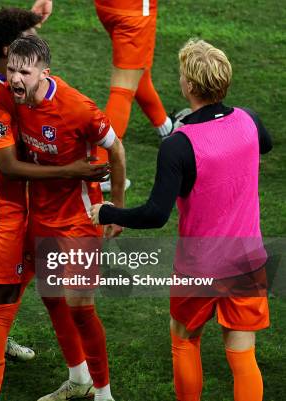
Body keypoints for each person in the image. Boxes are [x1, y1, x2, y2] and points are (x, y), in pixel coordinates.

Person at [90, 39, 272, 401]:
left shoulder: (178, 144)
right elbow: (262, 144)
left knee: (185, 339)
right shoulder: (249, 121)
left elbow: (156, 214)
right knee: (242, 352)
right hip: (248, 261)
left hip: (199, 266)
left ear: (188, 85)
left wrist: (107, 212)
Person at [0, 9, 111, 401]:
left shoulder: (14, 82)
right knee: (2, 303)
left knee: (52, 291)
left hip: (29, 211)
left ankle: (81, 378)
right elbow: (9, 166)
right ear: (6, 51)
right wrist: (73, 171)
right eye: (26, 38)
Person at [7, 35, 125, 401]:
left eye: (24, 72)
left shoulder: (77, 108)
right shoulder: (16, 102)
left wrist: (115, 208)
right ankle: (78, 379)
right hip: (40, 217)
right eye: (11, 69)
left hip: (79, 219)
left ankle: (104, 394)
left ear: (45, 72)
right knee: (52, 297)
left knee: (81, 306)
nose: (15, 78)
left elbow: (116, 148)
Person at [31, 0, 180, 192]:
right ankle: (100, 170)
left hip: (107, 7)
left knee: (136, 69)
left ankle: (165, 126)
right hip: (134, 12)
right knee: (124, 88)